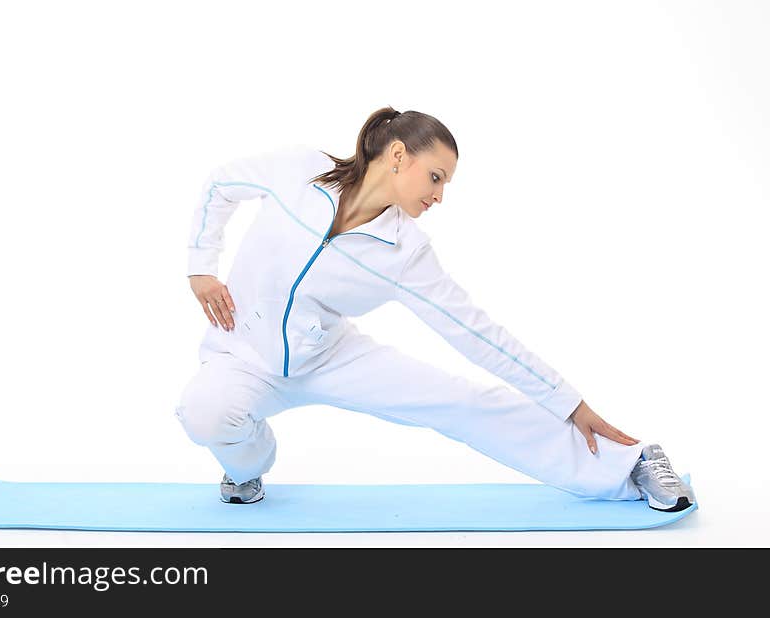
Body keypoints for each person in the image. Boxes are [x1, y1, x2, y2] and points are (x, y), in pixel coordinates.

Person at [174, 106, 696, 513]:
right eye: (436, 177)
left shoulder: (406, 251)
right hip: (240, 352)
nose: (440, 196)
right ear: (398, 154)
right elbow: (222, 183)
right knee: (205, 412)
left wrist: (569, 404)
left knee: (462, 402)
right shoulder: (299, 171)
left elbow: (478, 334)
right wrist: (201, 266)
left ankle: (631, 467)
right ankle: (245, 469)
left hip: (331, 357)